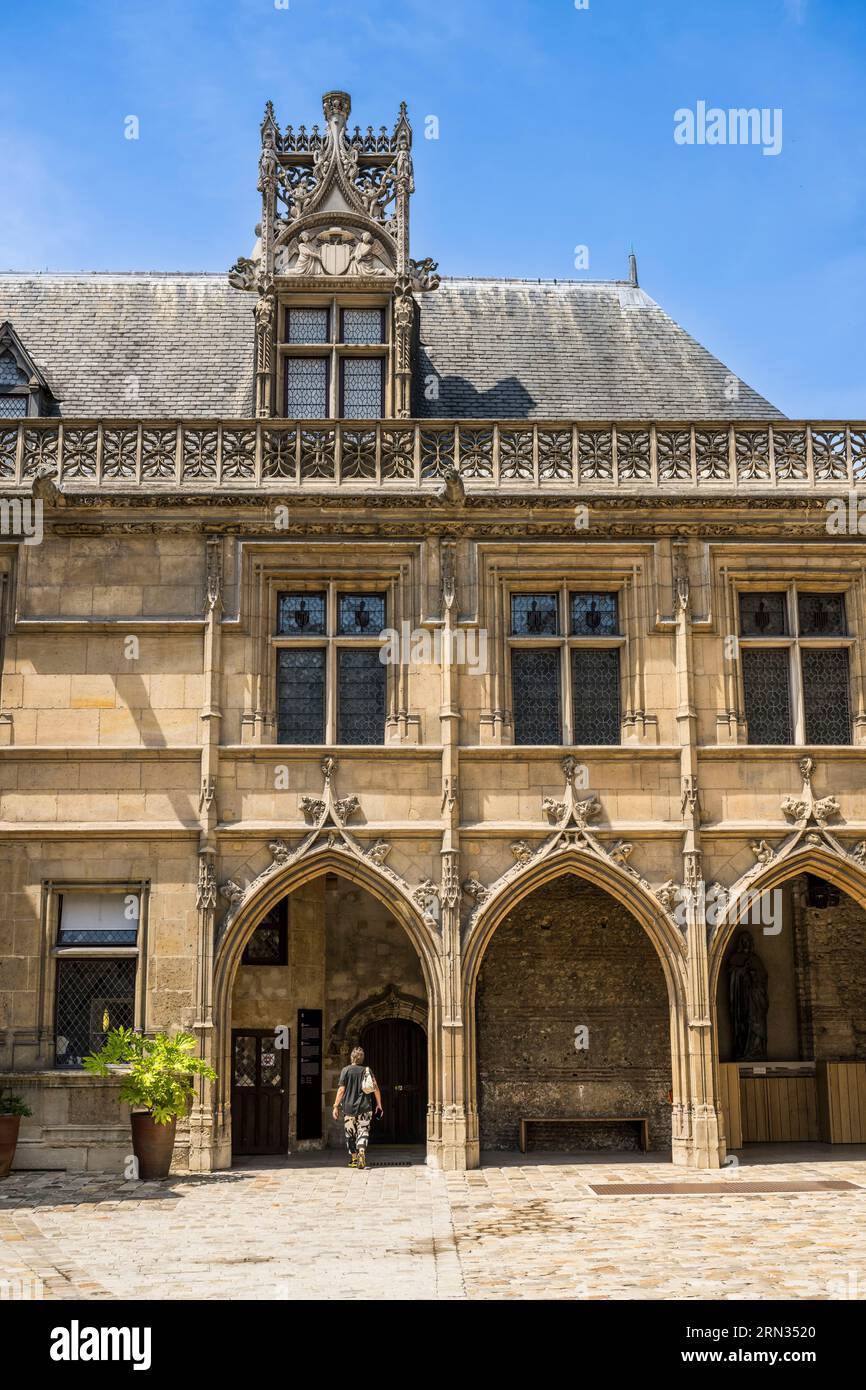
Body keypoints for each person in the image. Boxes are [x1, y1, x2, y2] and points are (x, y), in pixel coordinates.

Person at [332, 1046, 383, 1169]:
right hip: (365, 1107)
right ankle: (361, 1151)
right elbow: (375, 1087)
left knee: (350, 1133)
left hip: (349, 1108)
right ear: (362, 1059)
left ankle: (354, 1159)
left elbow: (341, 1090)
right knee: (363, 1129)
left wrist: (335, 1106)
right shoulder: (367, 1070)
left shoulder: (346, 1070)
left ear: (351, 1057)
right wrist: (379, 1105)